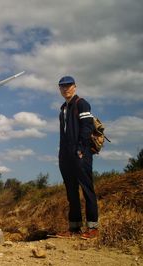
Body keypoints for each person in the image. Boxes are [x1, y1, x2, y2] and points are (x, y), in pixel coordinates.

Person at [56, 76, 99, 239]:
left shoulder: (81, 103)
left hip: (81, 154)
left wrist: (81, 149)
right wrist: (61, 155)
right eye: (62, 87)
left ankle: (93, 228)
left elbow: (87, 126)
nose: (65, 89)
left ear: (75, 87)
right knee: (71, 192)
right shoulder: (63, 109)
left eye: (68, 86)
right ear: (59, 89)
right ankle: (74, 228)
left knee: (87, 190)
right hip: (65, 155)